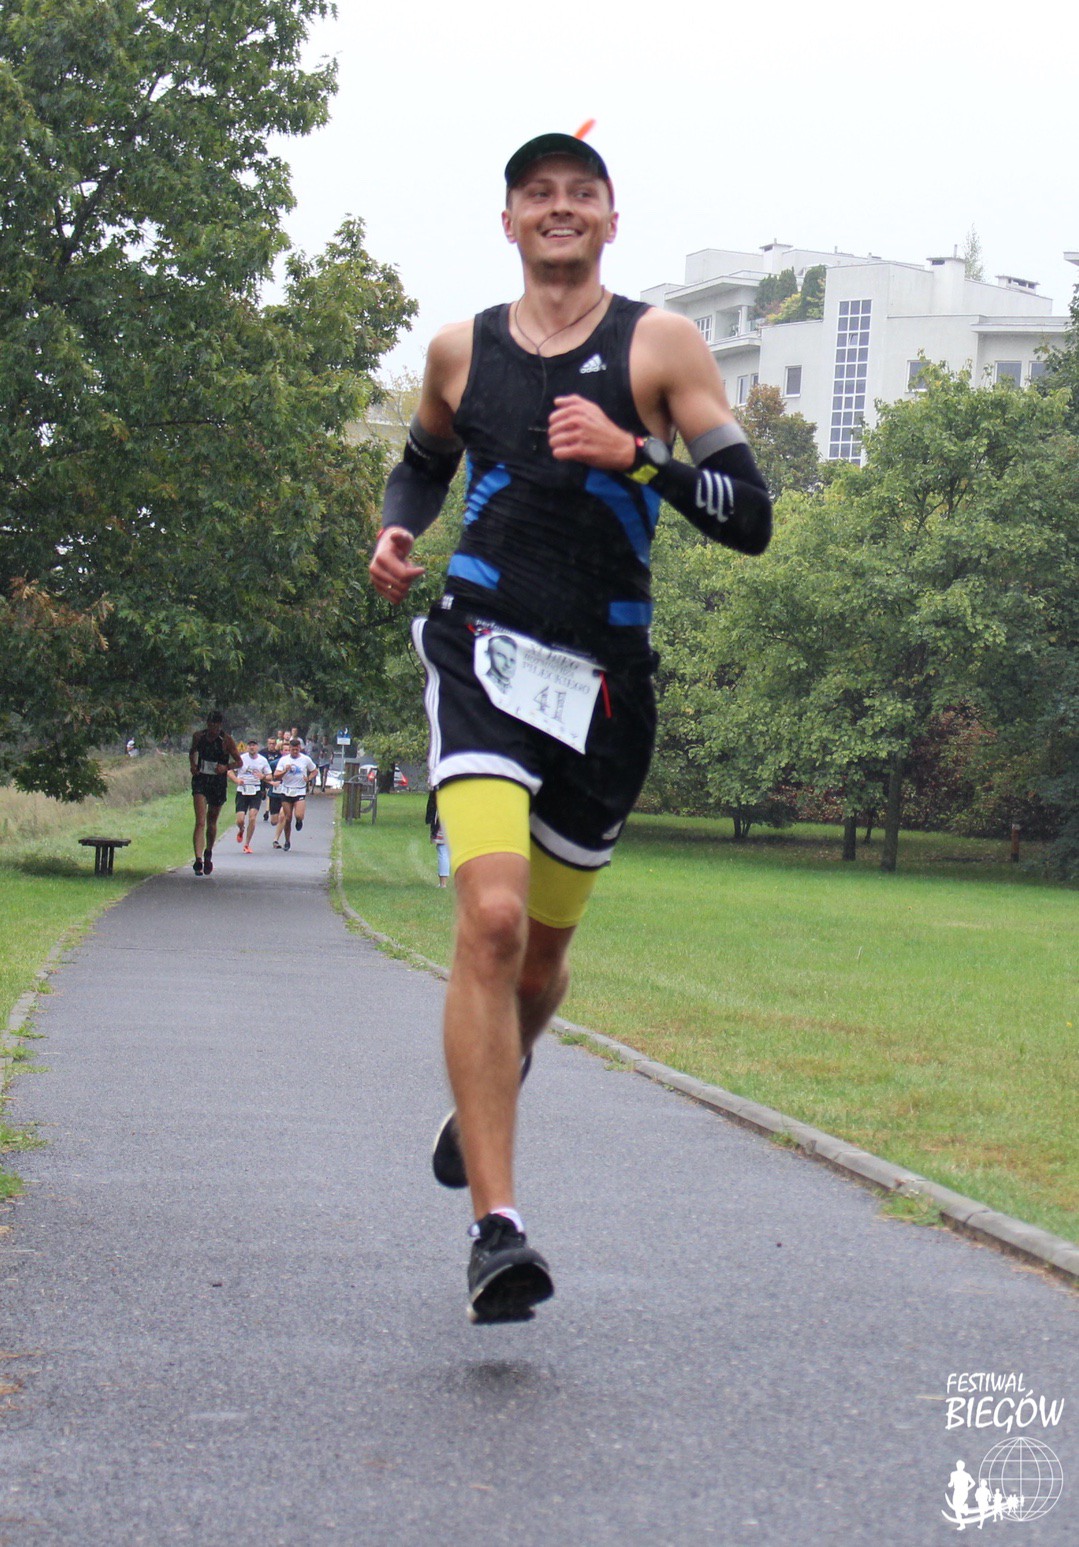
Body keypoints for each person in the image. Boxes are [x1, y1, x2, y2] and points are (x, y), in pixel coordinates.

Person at [368, 131, 771, 1324]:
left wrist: (636, 458)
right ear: (506, 221)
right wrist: (397, 530)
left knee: (538, 963)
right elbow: (419, 463)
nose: (559, 207)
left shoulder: (660, 344)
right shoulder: (460, 350)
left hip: (604, 688)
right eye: (536, 193)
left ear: (609, 218)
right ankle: (496, 1230)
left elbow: (750, 517)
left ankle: (501, 1064)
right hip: (482, 656)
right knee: (490, 920)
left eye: (579, 193)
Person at [188, 711, 242, 875]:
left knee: (211, 821)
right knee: (200, 821)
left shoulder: (226, 740)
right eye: (209, 724)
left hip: (217, 782)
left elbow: (239, 762)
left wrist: (225, 767)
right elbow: (192, 752)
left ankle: (208, 852)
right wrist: (193, 765)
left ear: (220, 725)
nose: (212, 728)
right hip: (201, 779)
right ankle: (198, 859)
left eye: (215, 725)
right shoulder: (199, 736)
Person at [272, 736, 317, 850]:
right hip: (286, 790)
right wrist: (285, 770)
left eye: (297, 749)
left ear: (300, 748)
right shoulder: (284, 760)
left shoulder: (305, 759)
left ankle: (299, 820)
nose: (295, 752)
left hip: (300, 790)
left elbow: (314, 771)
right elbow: (276, 775)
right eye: (293, 750)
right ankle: (287, 841)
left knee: (299, 815)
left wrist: (309, 778)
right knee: (288, 818)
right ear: (290, 749)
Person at [229, 739, 272, 852]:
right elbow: (230, 771)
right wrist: (236, 780)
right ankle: (241, 829)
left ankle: (247, 844)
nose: (252, 747)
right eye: (250, 745)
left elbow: (270, 776)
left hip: (255, 790)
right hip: (242, 790)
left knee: (252, 818)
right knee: (240, 820)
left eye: (254, 745)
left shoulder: (262, 760)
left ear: (257, 747)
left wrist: (263, 776)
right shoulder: (241, 759)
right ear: (247, 747)